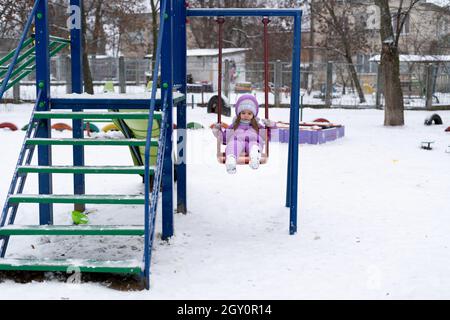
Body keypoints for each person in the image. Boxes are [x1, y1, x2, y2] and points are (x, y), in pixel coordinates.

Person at [212, 94, 276, 174]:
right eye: (243, 113)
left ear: (253, 115)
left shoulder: (257, 126)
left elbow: (268, 136)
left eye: (249, 113)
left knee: (255, 145)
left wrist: (271, 125)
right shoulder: (234, 126)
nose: (246, 115)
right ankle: (231, 159)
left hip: (254, 140)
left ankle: (255, 156)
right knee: (233, 144)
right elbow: (224, 139)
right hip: (237, 140)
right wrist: (217, 131)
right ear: (239, 113)